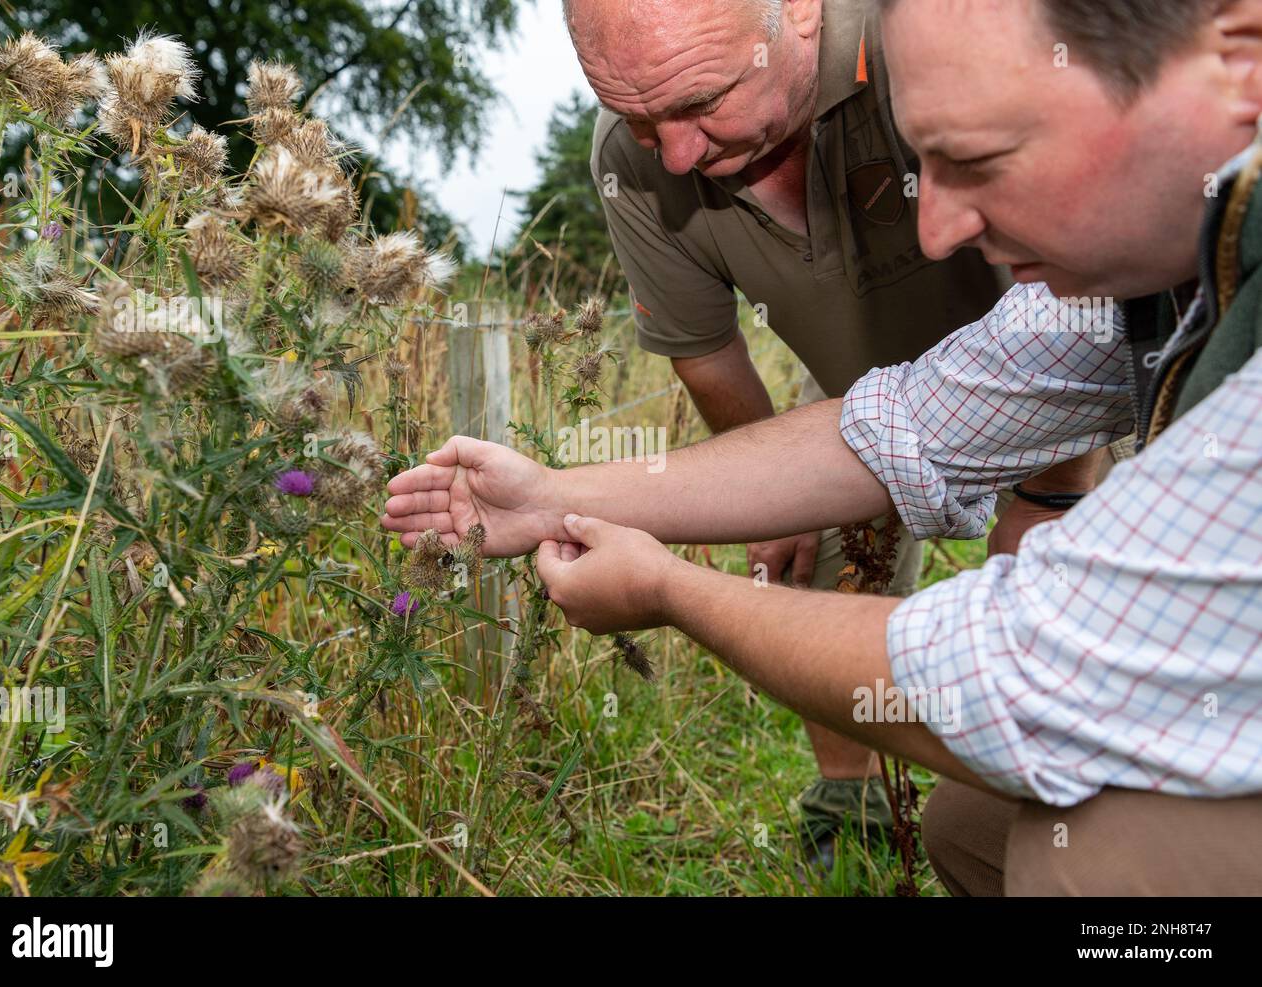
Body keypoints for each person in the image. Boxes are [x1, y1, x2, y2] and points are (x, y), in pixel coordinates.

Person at [386, 0, 1262, 894]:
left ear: (1241, 65)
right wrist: (548, 495)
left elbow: (1028, 677)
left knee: (1082, 864)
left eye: (979, 158)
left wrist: (674, 588)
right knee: (969, 830)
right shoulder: (1140, 277)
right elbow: (904, 425)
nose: (936, 229)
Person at [565, 0, 1103, 862]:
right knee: (816, 558)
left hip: (1043, 350)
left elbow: (1072, 318)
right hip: (853, 385)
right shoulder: (638, 167)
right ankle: (849, 811)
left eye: (701, 104)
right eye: (637, 119)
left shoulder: (927, 40)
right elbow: (706, 352)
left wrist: (1050, 487)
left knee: (1073, 599)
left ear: (802, 14)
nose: (676, 153)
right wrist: (772, 504)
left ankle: (1069, 812)